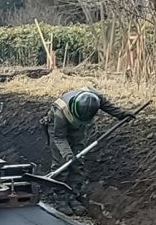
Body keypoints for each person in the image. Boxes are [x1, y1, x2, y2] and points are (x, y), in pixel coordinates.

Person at [44, 87, 135, 215]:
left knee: (78, 162)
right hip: (58, 129)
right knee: (62, 165)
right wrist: (67, 154)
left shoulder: (95, 99)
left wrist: (120, 114)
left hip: (78, 129)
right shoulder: (61, 110)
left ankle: (72, 196)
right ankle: (60, 199)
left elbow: (106, 105)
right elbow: (59, 138)